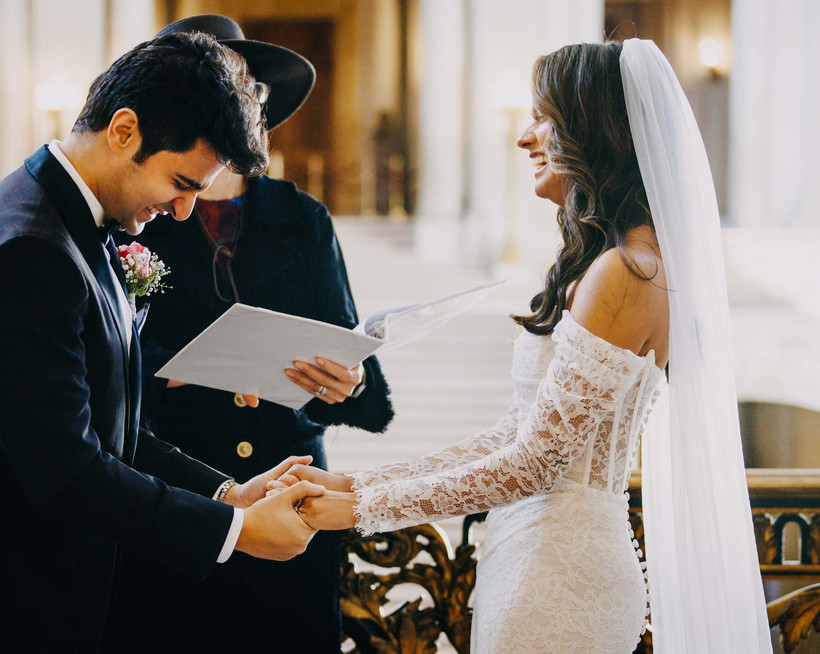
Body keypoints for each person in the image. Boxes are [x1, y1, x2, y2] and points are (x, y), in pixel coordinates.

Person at [271, 39, 771, 652]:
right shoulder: (626, 262)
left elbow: (535, 463)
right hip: (537, 553)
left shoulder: (625, 271)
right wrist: (362, 483)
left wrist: (361, 512)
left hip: (559, 574)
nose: (525, 137)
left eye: (545, 118)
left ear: (593, 129)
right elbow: (515, 435)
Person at [0, 31, 328, 654]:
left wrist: (224, 491)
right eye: (182, 182)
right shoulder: (26, 249)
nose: (187, 210)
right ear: (124, 130)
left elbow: (115, 427)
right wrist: (235, 530)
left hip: (34, 588)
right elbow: (66, 472)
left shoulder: (76, 220)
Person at [110, 15, 394, 653]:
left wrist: (348, 382)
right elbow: (101, 362)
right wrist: (171, 367)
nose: (242, 108)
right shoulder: (143, 207)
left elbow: (370, 396)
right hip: (176, 507)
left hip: (293, 505)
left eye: (252, 95)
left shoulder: (303, 217)